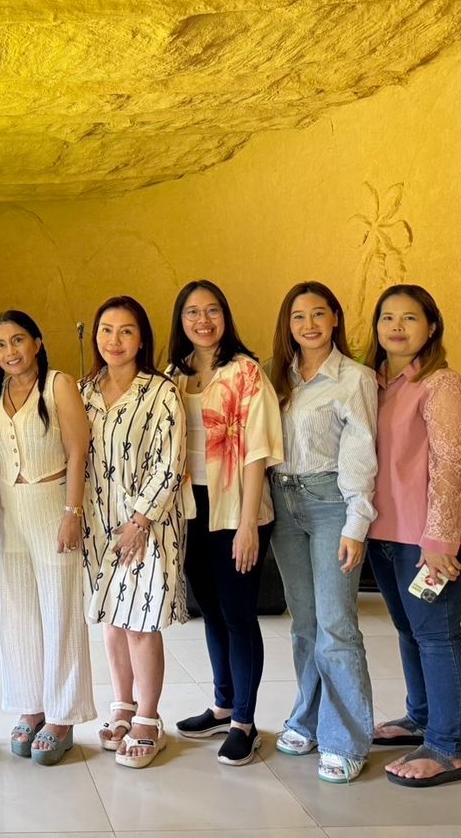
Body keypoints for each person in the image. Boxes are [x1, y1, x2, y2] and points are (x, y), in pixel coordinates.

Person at [364, 284, 461, 787]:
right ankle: (420, 718)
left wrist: (440, 542)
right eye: (387, 317)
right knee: (409, 631)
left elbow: (452, 467)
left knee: (437, 637)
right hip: (385, 534)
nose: (396, 327)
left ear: (431, 328)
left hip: (428, 540)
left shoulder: (443, 385)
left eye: (409, 318)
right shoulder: (377, 384)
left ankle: (445, 747)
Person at [168, 279, 283, 766]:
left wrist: (249, 524)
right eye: (192, 312)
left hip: (236, 506)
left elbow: (258, 451)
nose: (203, 320)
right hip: (190, 508)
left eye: (212, 310)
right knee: (211, 612)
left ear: (225, 316)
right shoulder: (174, 375)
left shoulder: (245, 372)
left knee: (237, 615)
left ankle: (245, 723)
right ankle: (222, 705)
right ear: (180, 321)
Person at [266, 281, 377, 783]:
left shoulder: (355, 378)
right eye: (298, 316)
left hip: (331, 501)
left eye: (318, 314)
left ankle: (346, 739)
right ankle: (308, 718)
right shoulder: (276, 376)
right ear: (287, 325)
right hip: (283, 502)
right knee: (305, 623)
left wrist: (357, 523)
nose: (308, 325)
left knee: (336, 624)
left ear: (335, 318)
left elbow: (361, 451)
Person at [81, 296, 190, 770]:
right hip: (98, 522)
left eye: (126, 330)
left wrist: (140, 520)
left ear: (141, 338)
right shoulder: (84, 391)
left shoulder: (161, 392)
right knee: (112, 616)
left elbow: (171, 462)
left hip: (147, 523)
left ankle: (148, 718)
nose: (115, 340)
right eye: (106, 330)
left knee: (141, 621)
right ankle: (122, 707)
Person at [0, 310, 94, 766]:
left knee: (60, 610)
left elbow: (78, 450)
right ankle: (31, 706)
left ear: (37, 342)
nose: (10, 351)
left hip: (52, 507)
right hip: (12, 512)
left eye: (18, 340)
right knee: (19, 612)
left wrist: (72, 512)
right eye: (0, 344)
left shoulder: (58, 384)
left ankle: (63, 716)